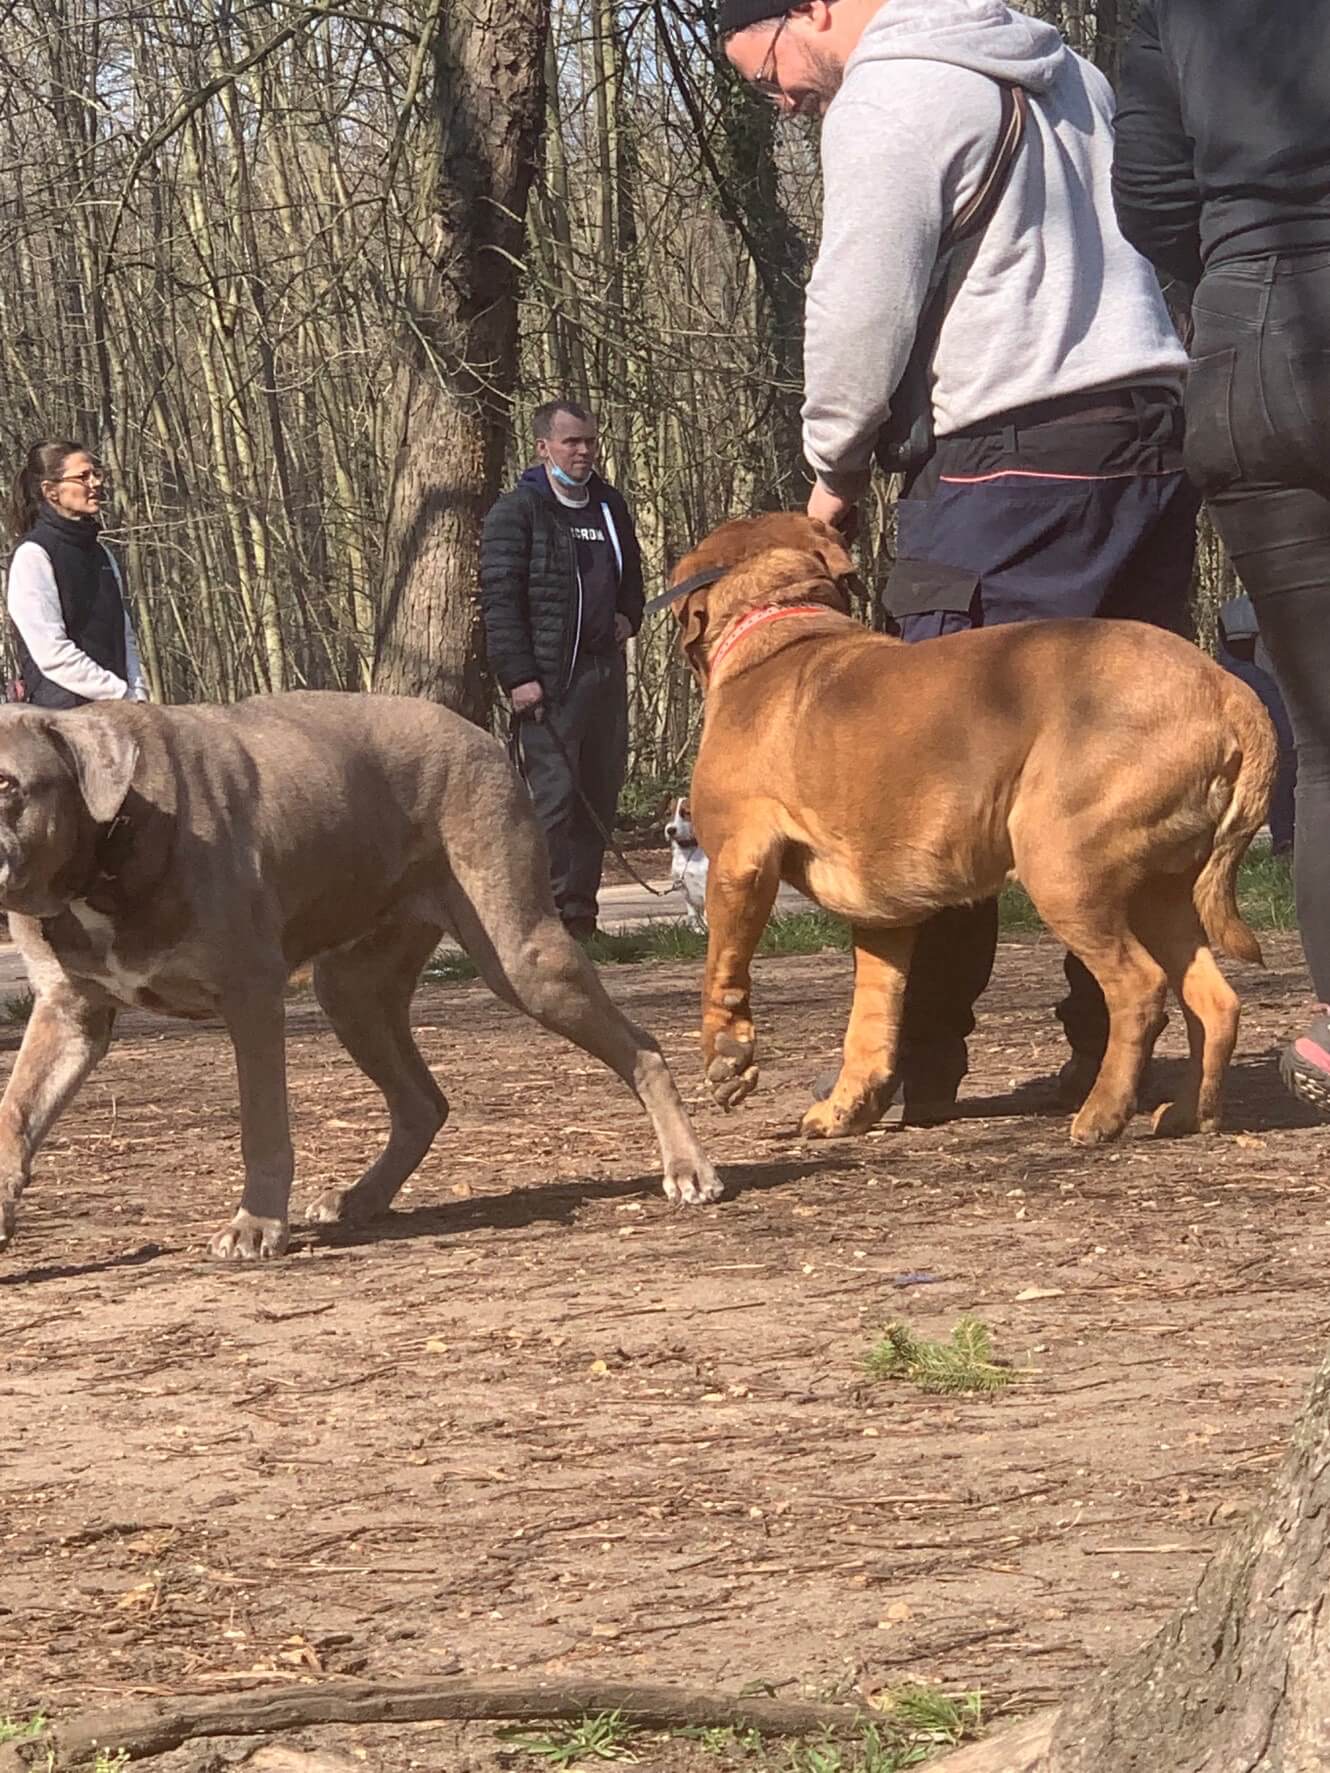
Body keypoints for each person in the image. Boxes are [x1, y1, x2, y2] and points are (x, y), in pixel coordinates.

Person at [720, 0, 1196, 1123]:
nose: (784, 99)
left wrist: (830, 464)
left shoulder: (891, 94)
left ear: (812, 9)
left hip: (1005, 462)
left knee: (930, 757)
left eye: (771, 72)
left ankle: (912, 1065)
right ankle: (1109, 1047)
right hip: (1150, 442)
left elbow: (858, 299)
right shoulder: (1070, 67)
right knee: (1112, 765)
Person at [1112, 0, 1330, 1115]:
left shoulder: (1169, 15)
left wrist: (1236, 275)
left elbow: (1147, 195)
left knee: (1324, 734)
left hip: (1247, 347)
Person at [479, 401, 644, 941]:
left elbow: (631, 576)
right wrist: (518, 677)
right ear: (543, 447)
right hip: (548, 682)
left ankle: (580, 919)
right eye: (571, 442)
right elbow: (499, 601)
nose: (583, 451)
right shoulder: (519, 511)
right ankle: (538, 922)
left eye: (590, 441)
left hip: (603, 673)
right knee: (550, 802)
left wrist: (628, 615)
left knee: (598, 797)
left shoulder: (608, 505)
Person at [7, 440, 148, 708]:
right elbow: (52, 653)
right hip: (61, 721)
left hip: (117, 712)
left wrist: (136, 692)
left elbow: (124, 634)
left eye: (96, 473)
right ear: (51, 491)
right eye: (83, 476)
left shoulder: (101, 554)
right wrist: (120, 693)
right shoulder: (34, 556)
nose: (95, 483)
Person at [1216, 596, 1295, 857]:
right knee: (1286, 741)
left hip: (1252, 629)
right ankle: (1285, 839)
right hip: (1244, 640)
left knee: (1289, 742)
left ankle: (1286, 838)